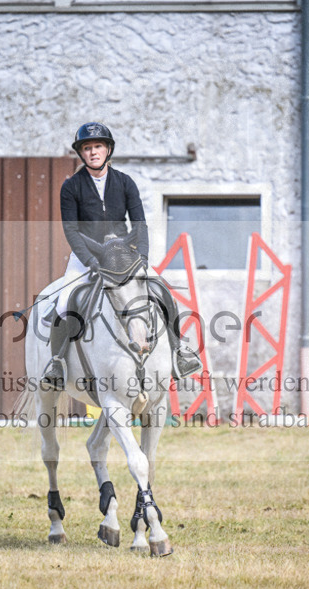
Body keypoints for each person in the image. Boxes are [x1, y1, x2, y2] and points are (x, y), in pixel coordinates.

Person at [41, 122, 202, 389]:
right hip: (87, 256)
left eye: (98, 147)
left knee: (162, 289)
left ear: (108, 150)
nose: (93, 152)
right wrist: (90, 260)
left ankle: (179, 352)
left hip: (123, 256)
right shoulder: (71, 187)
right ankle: (57, 362)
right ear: (82, 153)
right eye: (88, 148)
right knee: (64, 301)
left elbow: (139, 224)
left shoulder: (125, 182)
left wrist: (143, 257)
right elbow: (70, 230)